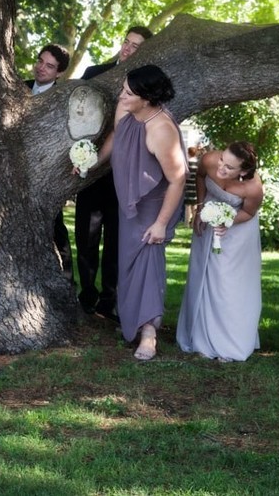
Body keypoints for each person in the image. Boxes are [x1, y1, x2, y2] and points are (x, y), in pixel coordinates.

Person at [88, 64, 186, 360]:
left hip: (152, 207)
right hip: (128, 201)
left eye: (129, 92)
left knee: (147, 264)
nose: (122, 95)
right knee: (127, 265)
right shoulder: (127, 112)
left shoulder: (161, 129)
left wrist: (160, 223)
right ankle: (132, 321)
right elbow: (117, 137)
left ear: (146, 97)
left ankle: (149, 334)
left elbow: (177, 179)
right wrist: (93, 164)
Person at [74, 25, 154, 320]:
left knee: (116, 241)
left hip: (125, 175)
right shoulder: (94, 72)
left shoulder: (147, 86)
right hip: (92, 171)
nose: (127, 49)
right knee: (86, 237)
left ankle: (110, 299)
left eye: (135, 47)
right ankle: (87, 296)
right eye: (126, 43)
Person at [176, 141, 263, 362]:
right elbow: (200, 179)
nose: (221, 168)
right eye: (222, 160)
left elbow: (248, 214)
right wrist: (201, 207)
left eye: (229, 167)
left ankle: (229, 340)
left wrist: (227, 221)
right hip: (209, 221)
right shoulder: (209, 160)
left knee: (227, 281)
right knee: (204, 275)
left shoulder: (252, 188)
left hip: (238, 232)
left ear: (243, 171)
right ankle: (200, 336)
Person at [24, 44, 75, 283]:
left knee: (55, 226)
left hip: (47, 173)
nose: (41, 68)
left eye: (50, 66)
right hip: (13, 168)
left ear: (60, 73)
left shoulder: (63, 99)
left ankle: (65, 280)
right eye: (40, 61)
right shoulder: (17, 88)